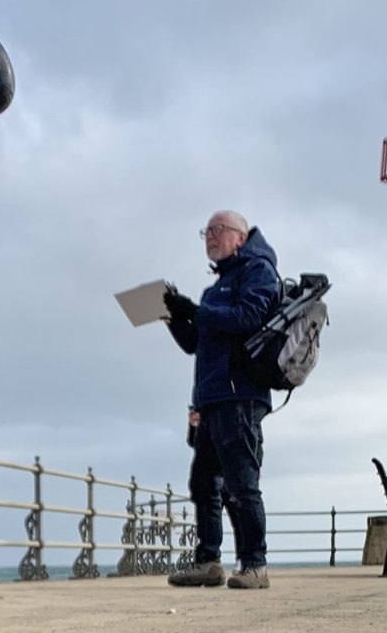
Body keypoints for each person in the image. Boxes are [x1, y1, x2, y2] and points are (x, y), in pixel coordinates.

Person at [163, 210, 280, 590]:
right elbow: (194, 343)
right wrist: (174, 316)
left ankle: (255, 565)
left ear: (240, 237)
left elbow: (248, 317)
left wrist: (196, 311)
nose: (210, 237)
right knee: (202, 483)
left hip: (241, 395)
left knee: (241, 484)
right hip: (212, 399)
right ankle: (209, 562)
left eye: (218, 230)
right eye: (206, 232)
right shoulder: (216, 287)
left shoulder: (258, 271)